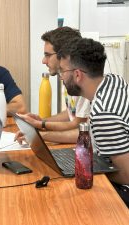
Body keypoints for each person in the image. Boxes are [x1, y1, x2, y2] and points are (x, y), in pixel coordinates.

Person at [58, 37, 129, 206]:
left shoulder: (104, 112)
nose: (61, 77)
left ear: (77, 75)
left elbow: (126, 176)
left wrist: (83, 170)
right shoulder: (113, 81)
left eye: (62, 71)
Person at [16, 27, 90, 144]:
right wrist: (40, 122)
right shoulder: (67, 76)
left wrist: (41, 128)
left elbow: (78, 126)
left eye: (48, 55)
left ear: (65, 55)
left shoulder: (82, 80)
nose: (43, 61)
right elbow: (71, 114)